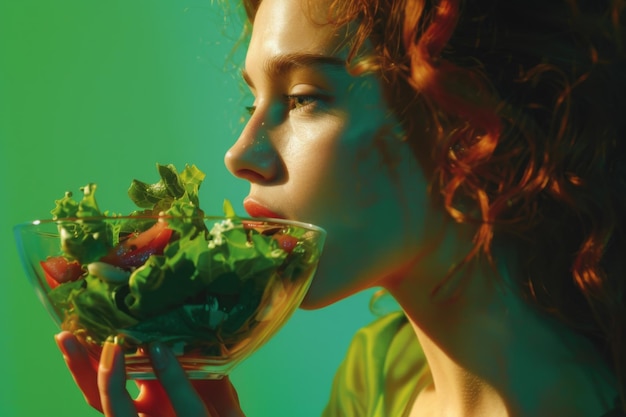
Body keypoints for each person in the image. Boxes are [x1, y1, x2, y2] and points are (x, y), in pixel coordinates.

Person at [54, 0, 626, 415]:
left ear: (467, 121)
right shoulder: (375, 377)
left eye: (303, 98)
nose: (239, 155)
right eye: (251, 100)